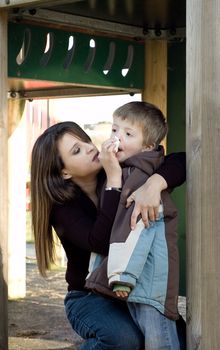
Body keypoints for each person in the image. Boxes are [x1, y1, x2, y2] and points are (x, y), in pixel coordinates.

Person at [30, 120, 186, 350]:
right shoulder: (61, 208)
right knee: (125, 340)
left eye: (85, 141)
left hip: (130, 287)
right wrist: (114, 181)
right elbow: (101, 243)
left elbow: (179, 160)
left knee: (174, 337)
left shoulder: (119, 167)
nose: (90, 147)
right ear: (64, 172)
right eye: (77, 150)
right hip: (88, 296)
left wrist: (154, 184)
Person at [85, 101, 181, 349]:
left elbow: (133, 228)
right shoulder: (123, 170)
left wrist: (122, 276)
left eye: (128, 134)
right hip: (139, 275)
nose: (118, 138)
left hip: (146, 277)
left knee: (159, 339)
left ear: (148, 146)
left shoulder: (137, 176)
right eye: (115, 129)